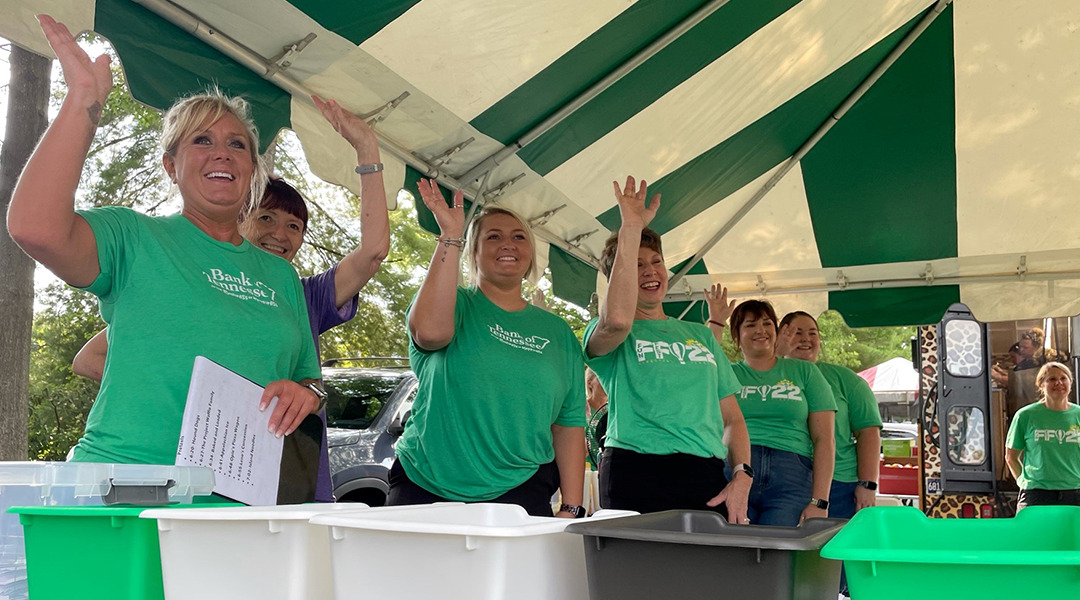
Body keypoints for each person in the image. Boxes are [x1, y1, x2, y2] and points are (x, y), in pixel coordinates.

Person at [8, 16, 323, 467]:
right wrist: (82, 104)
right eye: (202, 139)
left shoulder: (281, 276)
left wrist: (306, 394)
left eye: (237, 145)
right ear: (171, 166)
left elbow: (308, 380)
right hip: (126, 486)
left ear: (251, 170)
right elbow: (35, 227)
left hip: (237, 498)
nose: (222, 152)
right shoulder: (134, 237)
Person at [73, 148, 390, 501]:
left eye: (294, 226)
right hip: (168, 479)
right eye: (266, 217)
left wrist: (366, 151)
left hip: (277, 483)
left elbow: (373, 251)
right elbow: (88, 359)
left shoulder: (301, 292)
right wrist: (189, 399)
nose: (280, 234)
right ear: (239, 218)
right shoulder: (190, 283)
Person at [388, 180, 586, 517]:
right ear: (473, 252)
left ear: (531, 254)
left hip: (521, 491)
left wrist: (572, 505)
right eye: (492, 236)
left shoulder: (558, 333)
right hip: (426, 485)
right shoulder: (453, 303)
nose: (507, 244)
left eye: (518, 236)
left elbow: (568, 424)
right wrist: (451, 233)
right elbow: (430, 333)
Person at [584, 176, 751, 520]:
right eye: (636, 264)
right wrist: (630, 228)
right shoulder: (611, 331)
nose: (649, 271)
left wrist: (741, 476)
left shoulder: (701, 336)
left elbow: (732, 417)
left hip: (704, 473)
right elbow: (616, 321)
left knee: (701, 573)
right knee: (635, 573)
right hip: (634, 468)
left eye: (655, 261)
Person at [715, 298, 836, 526]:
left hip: (791, 473)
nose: (760, 330)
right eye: (750, 325)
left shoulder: (805, 371)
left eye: (767, 324)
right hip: (736, 469)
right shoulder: (725, 373)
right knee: (737, 552)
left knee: (779, 552)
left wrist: (820, 501)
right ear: (736, 336)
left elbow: (824, 439)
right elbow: (707, 358)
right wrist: (715, 321)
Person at [776, 311, 882, 519]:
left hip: (839, 483)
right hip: (783, 481)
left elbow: (868, 432)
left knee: (833, 549)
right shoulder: (765, 377)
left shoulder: (846, 380)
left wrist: (867, 484)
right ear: (781, 336)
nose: (806, 339)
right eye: (797, 333)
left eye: (813, 333)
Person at [1005, 362, 1080, 511]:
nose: (1058, 383)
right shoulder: (1026, 416)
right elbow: (1011, 457)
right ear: (1041, 385)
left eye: (1063, 378)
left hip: (1074, 493)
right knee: (1033, 535)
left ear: (1070, 383)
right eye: (1052, 379)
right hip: (1037, 495)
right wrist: (1023, 482)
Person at [585, 368, 609, 470]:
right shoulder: (580, 409)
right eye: (601, 377)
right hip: (585, 471)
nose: (606, 381)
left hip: (607, 469)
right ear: (590, 383)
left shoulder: (615, 411)